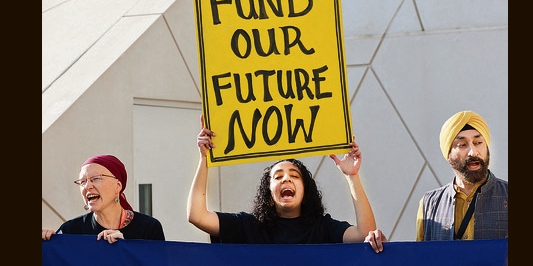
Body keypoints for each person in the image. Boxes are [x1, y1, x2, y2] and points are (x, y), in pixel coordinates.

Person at [187, 115, 383, 244]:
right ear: (268, 191)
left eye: (294, 176)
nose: (286, 179)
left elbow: (365, 234)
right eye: (278, 177)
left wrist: (352, 176)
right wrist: (205, 159)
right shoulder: (249, 226)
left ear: (305, 189)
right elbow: (197, 216)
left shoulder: (322, 228)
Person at [366, 110, 508, 253]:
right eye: (462, 145)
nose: (473, 152)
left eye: (478, 142)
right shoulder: (429, 203)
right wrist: (385, 251)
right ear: (449, 155)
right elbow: (420, 259)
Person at [42, 154, 165, 243]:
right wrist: (45, 243)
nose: (88, 186)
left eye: (96, 179)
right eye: (83, 181)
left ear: (118, 186)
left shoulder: (149, 228)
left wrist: (125, 249)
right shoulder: (71, 230)